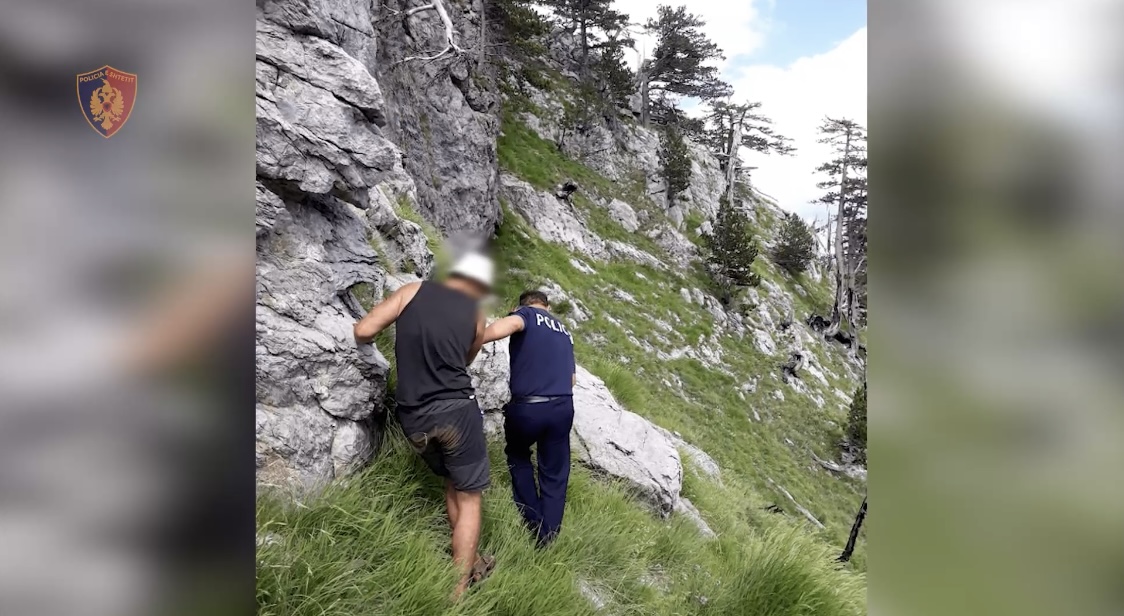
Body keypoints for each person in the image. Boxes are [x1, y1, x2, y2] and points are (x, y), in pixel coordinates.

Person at [352, 252, 497, 599]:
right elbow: (465, 359)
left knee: (452, 483)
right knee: (470, 498)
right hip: (457, 412)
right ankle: (458, 592)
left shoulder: (413, 291)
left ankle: (472, 559)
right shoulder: (475, 314)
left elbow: (364, 330)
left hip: (413, 415)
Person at [482, 290, 576, 547]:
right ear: (548, 306)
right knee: (555, 472)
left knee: (518, 454)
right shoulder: (565, 332)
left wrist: (479, 336)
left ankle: (532, 519)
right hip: (563, 407)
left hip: (528, 408)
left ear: (521, 305)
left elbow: (511, 325)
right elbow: (572, 380)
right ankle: (547, 537)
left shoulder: (525, 314)